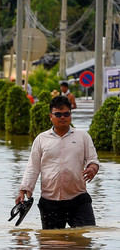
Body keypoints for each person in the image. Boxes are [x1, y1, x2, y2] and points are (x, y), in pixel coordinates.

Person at [15, 95, 99, 229]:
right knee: (51, 245)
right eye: (58, 114)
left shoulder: (82, 136)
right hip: (50, 202)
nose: (63, 117)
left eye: (66, 114)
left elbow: (93, 160)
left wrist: (92, 169)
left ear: (70, 115)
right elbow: (33, 167)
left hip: (78, 199)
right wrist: (23, 190)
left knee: (85, 239)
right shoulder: (41, 139)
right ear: (50, 116)